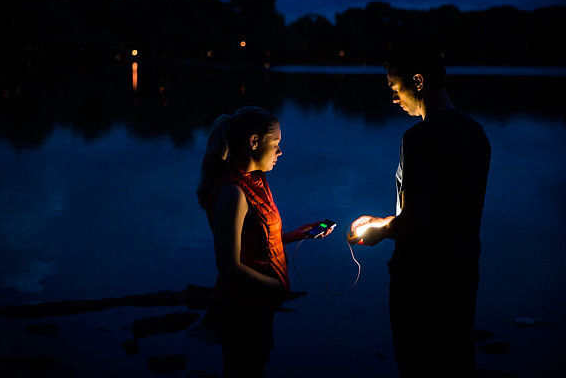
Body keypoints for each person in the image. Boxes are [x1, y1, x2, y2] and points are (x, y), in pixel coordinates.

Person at [350, 41, 491, 378]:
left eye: (395, 88)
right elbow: (446, 209)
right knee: (457, 361)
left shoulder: (420, 138)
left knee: (418, 365)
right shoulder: (475, 132)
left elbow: (415, 224)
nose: (394, 99)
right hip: (462, 271)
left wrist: (378, 232)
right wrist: (385, 219)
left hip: (421, 281)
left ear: (418, 81)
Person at [197, 106, 332, 378]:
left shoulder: (255, 181)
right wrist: (277, 286)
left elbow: (256, 242)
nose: (280, 152)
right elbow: (229, 266)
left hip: (258, 306)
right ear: (254, 142)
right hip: (241, 311)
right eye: (276, 144)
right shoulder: (232, 193)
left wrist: (296, 235)